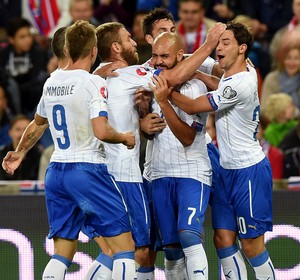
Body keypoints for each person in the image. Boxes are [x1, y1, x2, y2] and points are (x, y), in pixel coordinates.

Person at [2, 20, 138, 280]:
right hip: (87, 171)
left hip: (56, 172)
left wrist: (20, 152)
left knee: (63, 252)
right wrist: (124, 137)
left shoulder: (52, 81)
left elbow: (37, 122)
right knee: (124, 248)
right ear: (93, 51)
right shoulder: (91, 83)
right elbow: (101, 130)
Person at [157, 21, 276, 280]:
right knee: (222, 239)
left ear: (242, 48)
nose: (219, 49)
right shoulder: (235, 75)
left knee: (252, 246)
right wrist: (200, 75)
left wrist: (164, 92)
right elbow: (221, 85)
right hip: (225, 170)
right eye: (218, 43)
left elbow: (192, 106)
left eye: (225, 43)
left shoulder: (241, 82)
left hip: (249, 171)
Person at [149, 32, 212, 280]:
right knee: (172, 251)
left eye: (164, 56)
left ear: (179, 55)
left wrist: (164, 102)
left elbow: (187, 137)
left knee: (188, 235)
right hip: (160, 174)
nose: (158, 61)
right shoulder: (151, 81)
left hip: (191, 172)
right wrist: (144, 123)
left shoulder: (195, 87)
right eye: (154, 55)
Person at [0, 17, 49, 116]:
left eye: (29, 35)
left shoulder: (39, 52)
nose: (28, 40)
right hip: (10, 102)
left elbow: (37, 80)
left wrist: (17, 89)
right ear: (11, 39)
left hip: (33, 101)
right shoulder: (3, 54)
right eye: (22, 37)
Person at [0, 114, 41, 180]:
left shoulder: (39, 155)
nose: (22, 134)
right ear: (10, 132)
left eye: (26, 130)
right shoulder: (1, 154)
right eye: (18, 129)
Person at [261, 45, 300, 111]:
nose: (292, 63)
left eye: (296, 58)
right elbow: (264, 109)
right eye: (288, 58)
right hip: (274, 119)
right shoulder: (272, 78)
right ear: (282, 60)